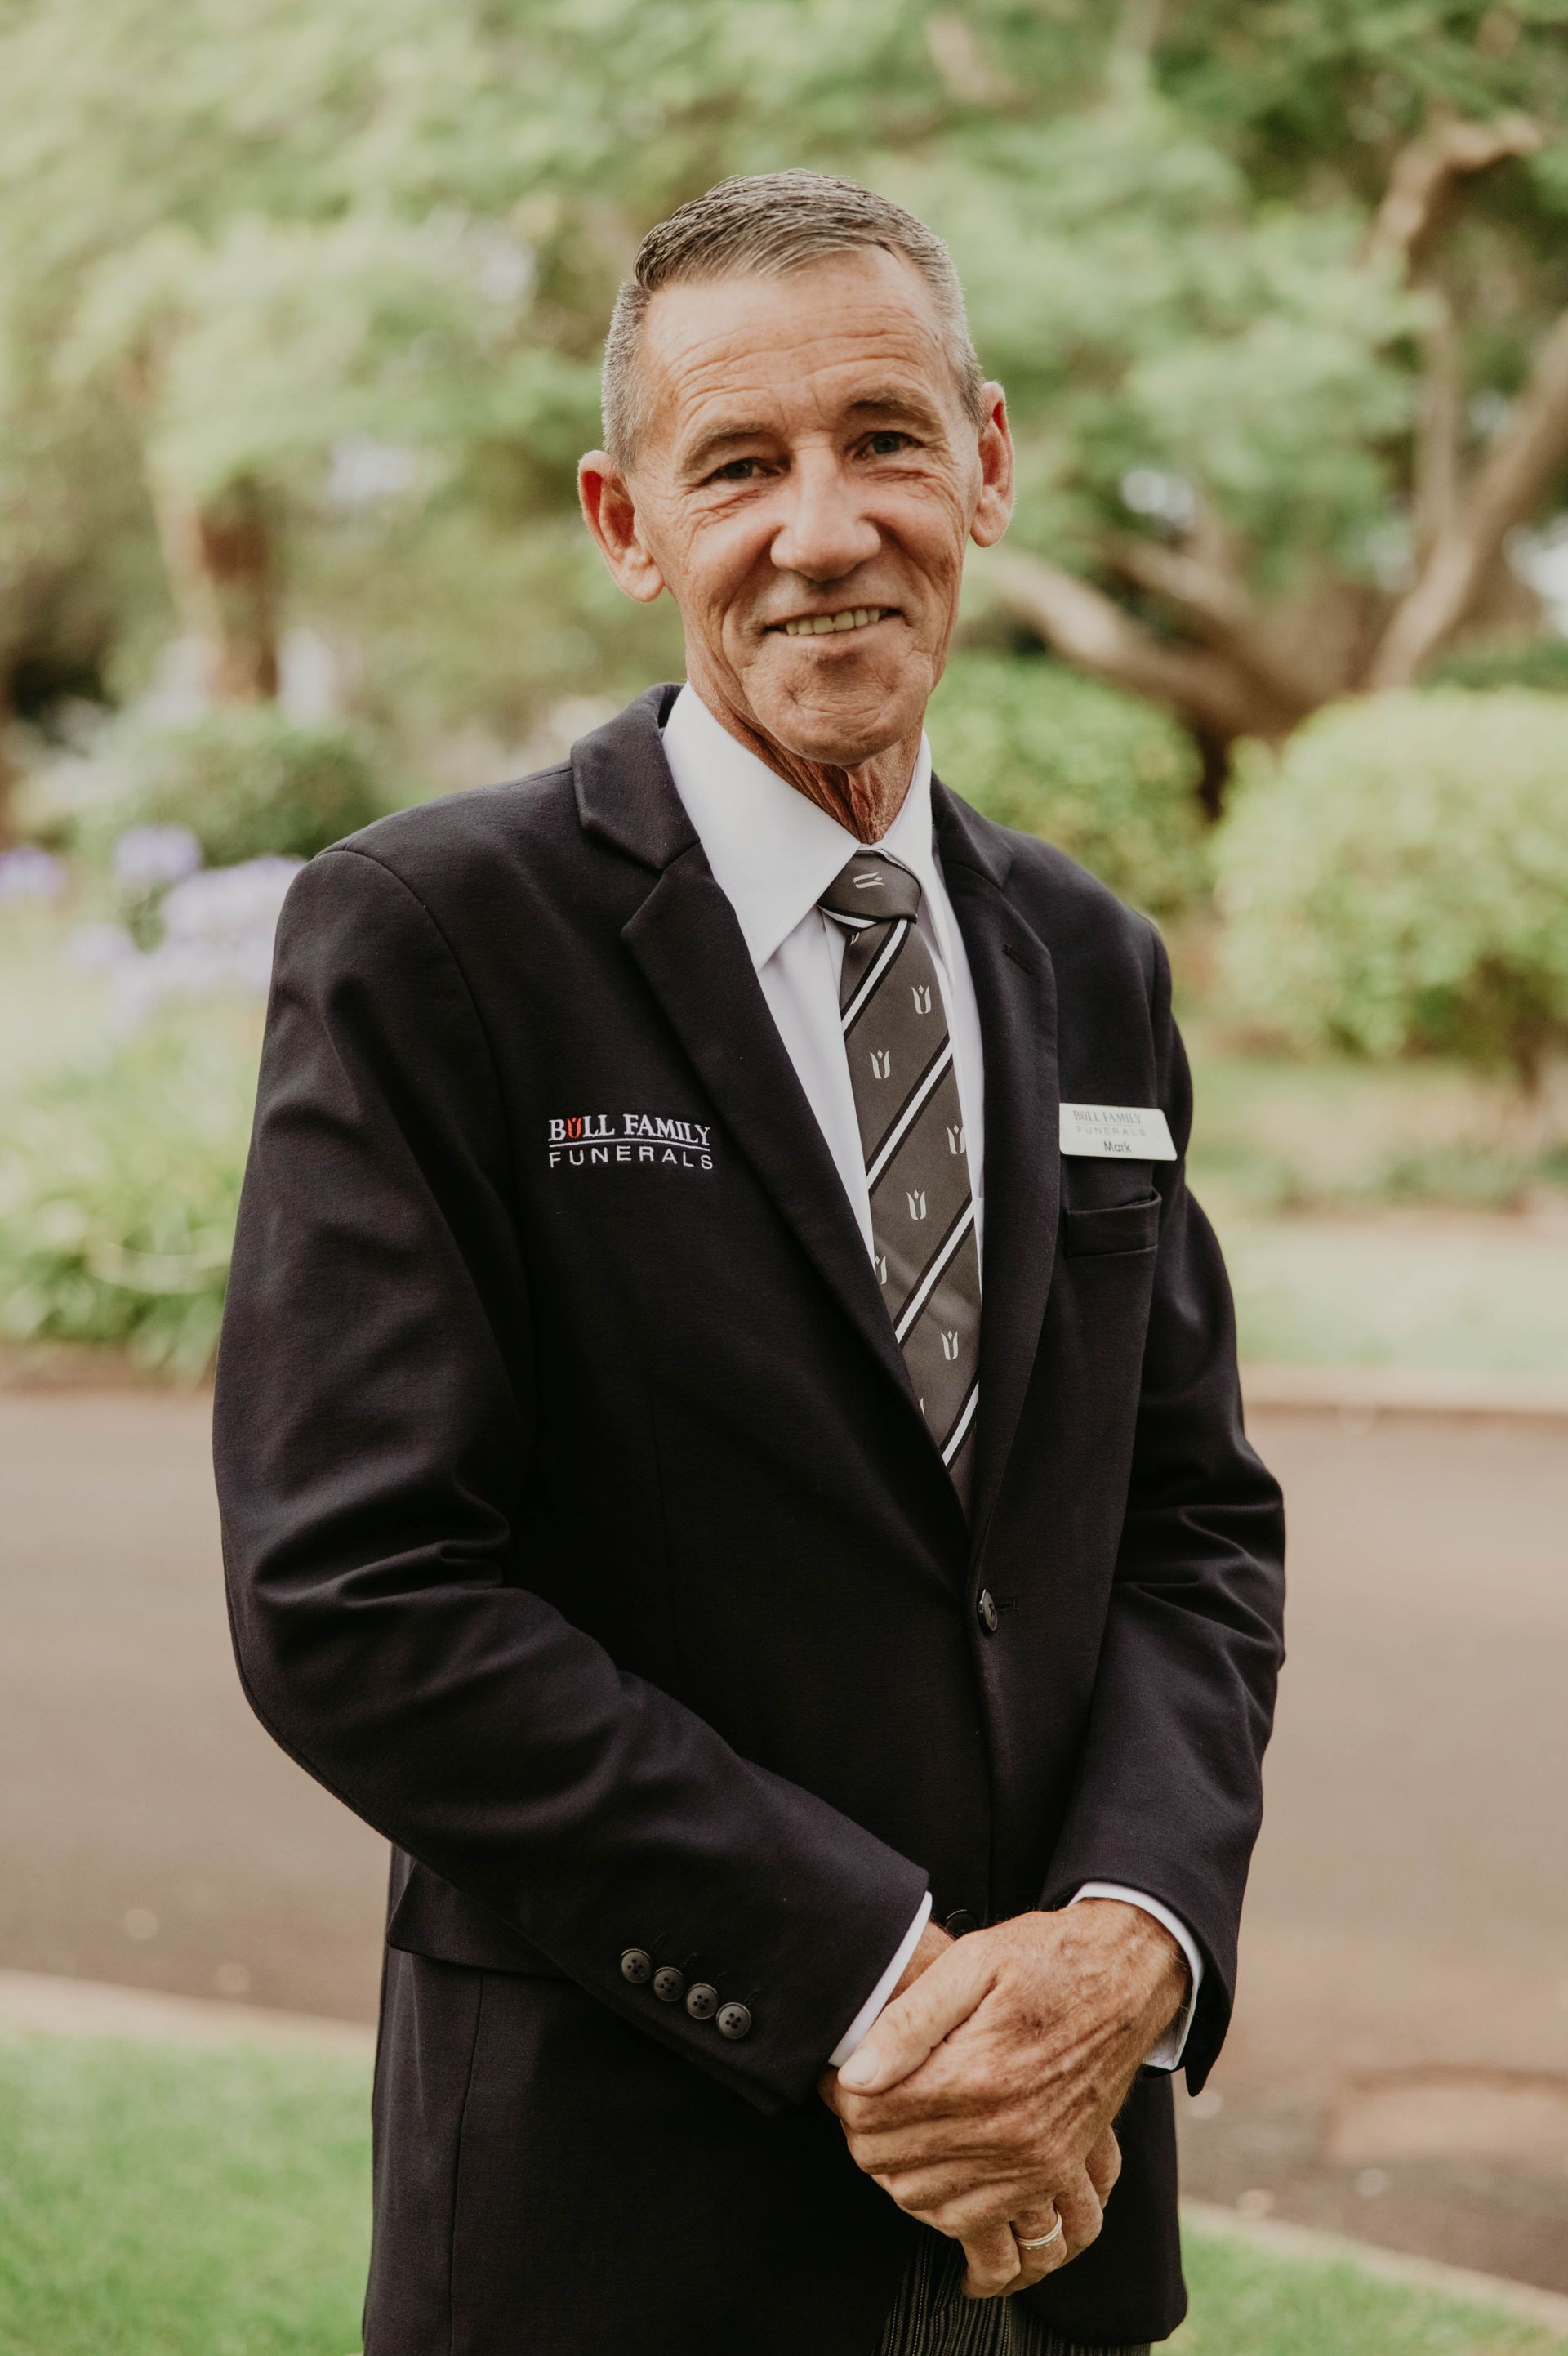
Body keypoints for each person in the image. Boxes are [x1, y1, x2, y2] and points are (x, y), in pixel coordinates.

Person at [214, 170, 1285, 2356]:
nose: (823, 528)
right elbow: (356, 1590)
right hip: (619, 2218)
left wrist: (1128, 1942)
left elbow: (1188, 1525)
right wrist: (877, 1985)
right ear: (628, 522)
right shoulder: (437, 942)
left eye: (884, 438)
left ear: (985, 462)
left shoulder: (1095, 960)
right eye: (740, 465)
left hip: (1056, 2220)